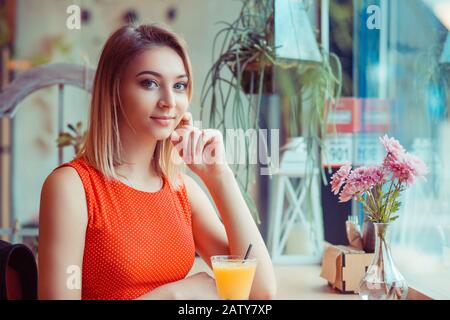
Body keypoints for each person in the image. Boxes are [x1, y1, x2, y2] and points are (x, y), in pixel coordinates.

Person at [38, 23, 276, 300]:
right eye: (149, 83)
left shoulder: (182, 190)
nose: (169, 101)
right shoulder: (72, 187)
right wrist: (174, 295)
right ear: (113, 90)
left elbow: (259, 291)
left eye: (179, 86)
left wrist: (219, 176)